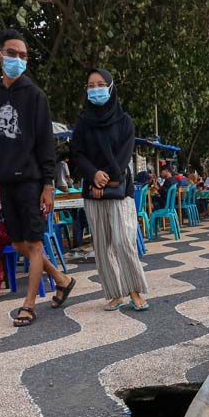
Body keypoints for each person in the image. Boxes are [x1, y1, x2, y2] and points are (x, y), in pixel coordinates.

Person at [0, 28, 74, 327]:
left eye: (23, 56)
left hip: (32, 180)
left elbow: (46, 143)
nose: (18, 60)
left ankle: (29, 304)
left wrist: (48, 185)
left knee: (34, 244)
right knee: (19, 244)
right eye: (12, 54)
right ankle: (61, 279)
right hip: (4, 181)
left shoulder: (35, 96)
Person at [70, 67, 150, 312]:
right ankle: (115, 293)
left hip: (118, 189)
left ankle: (134, 290)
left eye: (100, 84)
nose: (96, 89)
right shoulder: (83, 122)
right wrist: (93, 176)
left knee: (124, 241)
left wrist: (106, 180)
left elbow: (124, 155)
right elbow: (76, 154)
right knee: (102, 246)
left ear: (111, 86)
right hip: (92, 191)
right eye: (91, 85)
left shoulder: (124, 121)